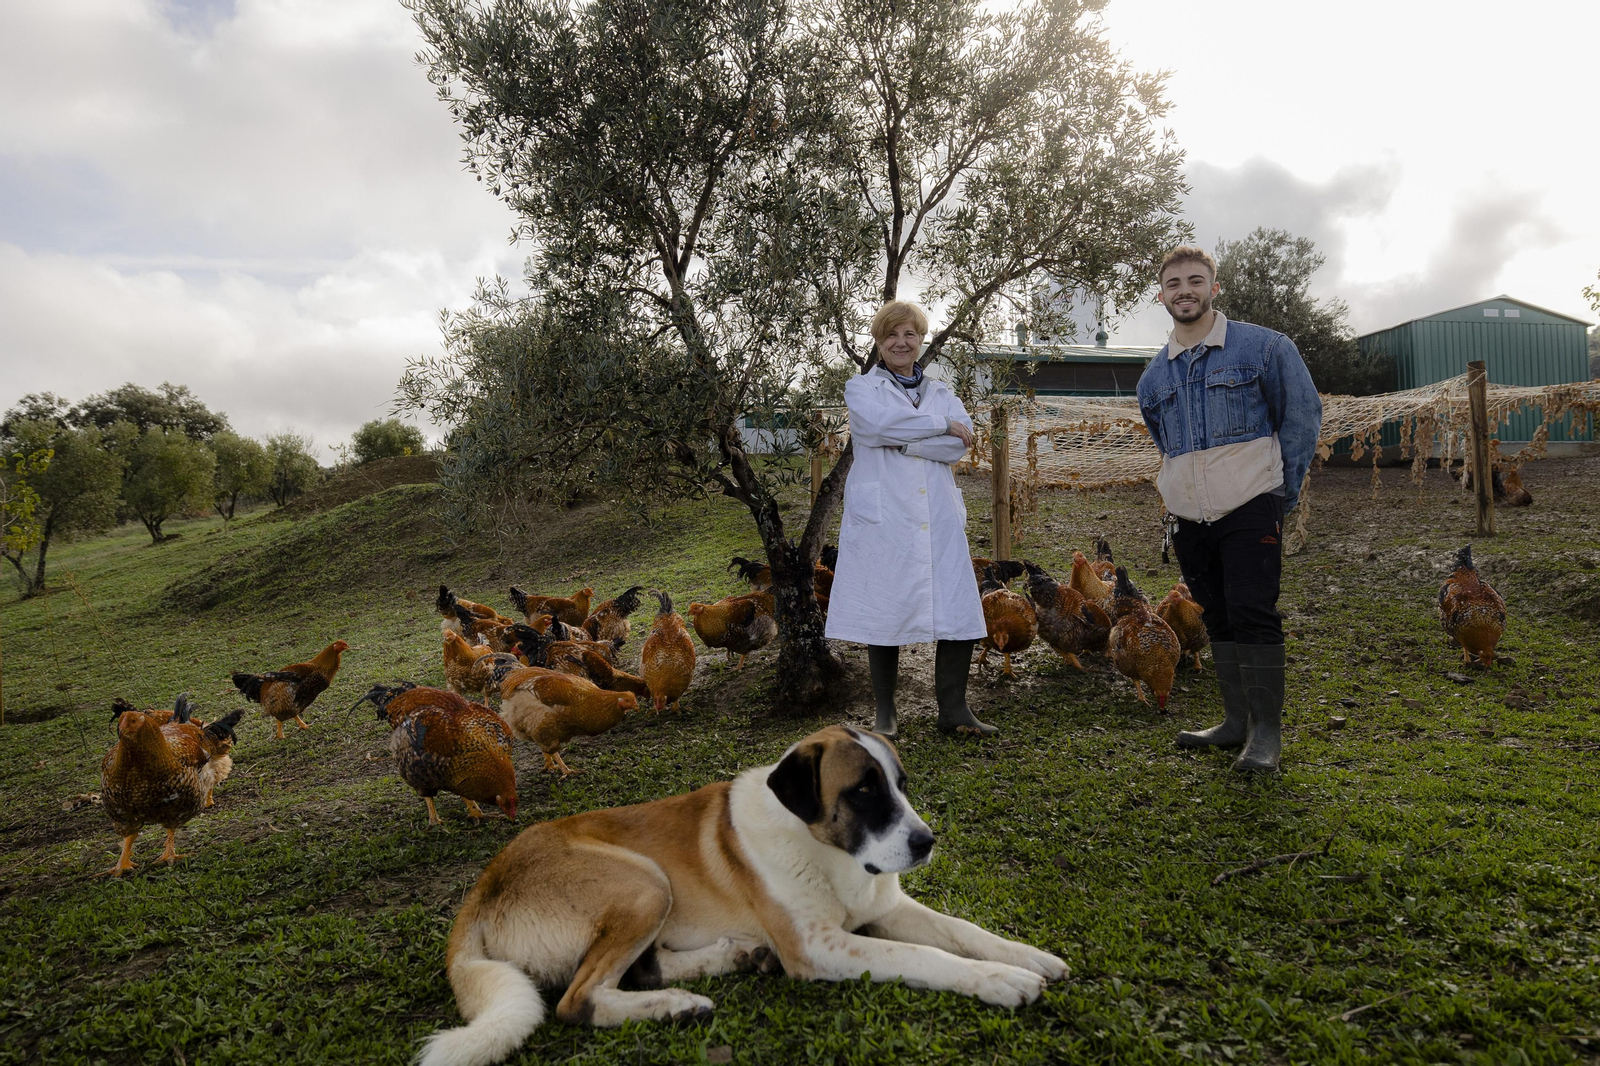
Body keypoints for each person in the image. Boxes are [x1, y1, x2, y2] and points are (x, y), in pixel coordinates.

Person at [1136, 246, 1323, 773]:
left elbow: (1303, 417)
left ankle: (1266, 735)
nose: (1184, 291)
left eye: (1195, 280)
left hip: (1250, 504)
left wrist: (1279, 495)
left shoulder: (1264, 348)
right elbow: (1165, 443)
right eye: (1173, 284)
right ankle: (1235, 721)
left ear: (1214, 287)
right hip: (1189, 516)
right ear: (1162, 295)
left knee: (1253, 613)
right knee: (1216, 615)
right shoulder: (1154, 377)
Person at [825, 301, 995, 739]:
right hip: (886, 517)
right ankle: (886, 714)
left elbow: (958, 446)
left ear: (922, 340)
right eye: (891, 335)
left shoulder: (943, 391)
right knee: (886, 610)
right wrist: (936, 426)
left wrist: (905, 441)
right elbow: (873, 428)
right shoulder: (861, 388)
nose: (901, 342)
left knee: (957, 607)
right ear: (880, 343)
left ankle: (954, 709)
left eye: (910, 334)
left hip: (936, 514)